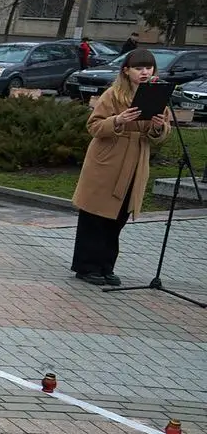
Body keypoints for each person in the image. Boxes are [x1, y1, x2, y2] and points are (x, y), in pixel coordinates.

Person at [70, 48, 171, 286]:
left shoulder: (157, 95)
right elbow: (94, 127)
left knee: (118, 217)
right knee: (96, 216)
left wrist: (158, 126)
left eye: (148, 68)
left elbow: (162, 133)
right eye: (139, 68)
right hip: (108, 162)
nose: (144, 72)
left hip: (135, 163)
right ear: (126, 71)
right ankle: (86, 267)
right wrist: (118, 120)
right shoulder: (113, 95)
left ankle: (106, 266)